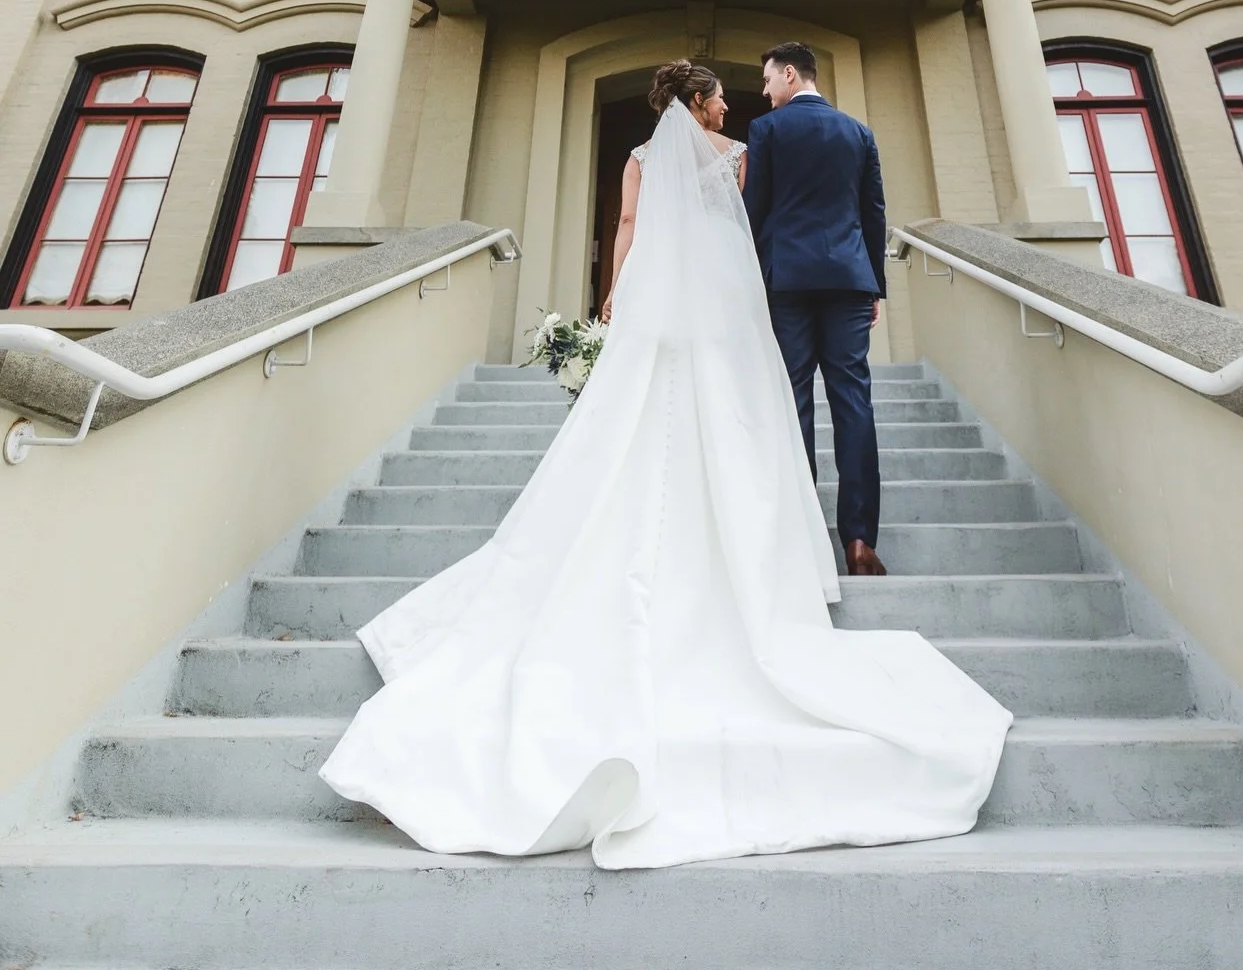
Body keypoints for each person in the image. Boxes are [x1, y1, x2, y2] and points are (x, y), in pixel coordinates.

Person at [319, 59, 1011, 869]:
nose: (731, 102)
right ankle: (834, 532)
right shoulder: (742, 155)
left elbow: (627, 232)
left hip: (660, 305)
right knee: (774, 411)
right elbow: (757, 226)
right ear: (699, 103)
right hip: (734, 305)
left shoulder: (642, 160)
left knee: (642, 421)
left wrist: (616, 295)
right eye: (720, 95)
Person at [743, 41, 887, 575]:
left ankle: (802, 536)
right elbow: (873, 213)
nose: (764, 92)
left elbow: (754, 212)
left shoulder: (768, 130)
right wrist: (874, 286)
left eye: (766, 82)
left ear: (788, 75)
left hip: (789, 283)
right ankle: (859, 540)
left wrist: (752, 280)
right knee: (854, 402)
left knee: (794, 400)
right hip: (850, 280)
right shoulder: (858, 132)